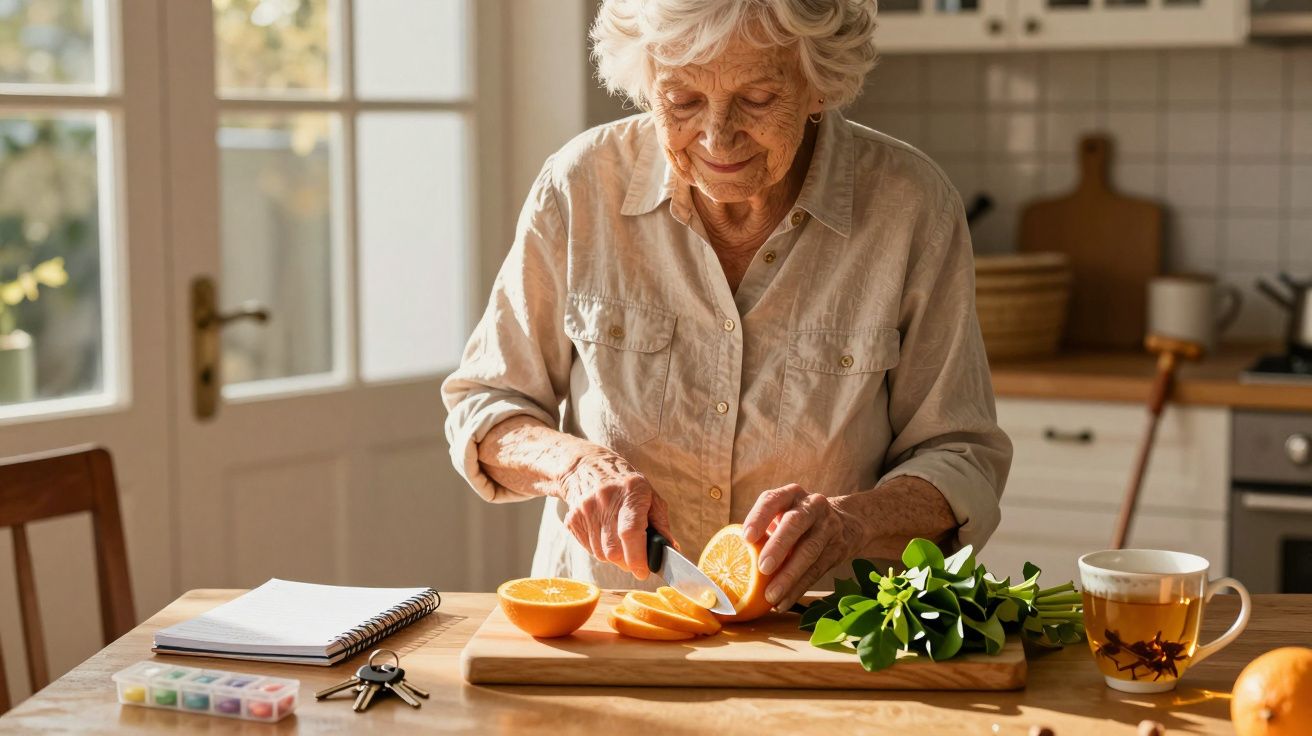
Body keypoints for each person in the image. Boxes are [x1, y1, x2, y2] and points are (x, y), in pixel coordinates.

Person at [442, 0, 1012, 612]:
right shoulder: (580, 186)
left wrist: (852, 523)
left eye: (758, 99)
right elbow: (487, 405)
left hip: (825, 640)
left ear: (819, 82)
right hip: (611, 628)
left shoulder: (910, 205)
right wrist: (573, 466)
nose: (718, 134)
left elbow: (961, 456)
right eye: (682, 99)